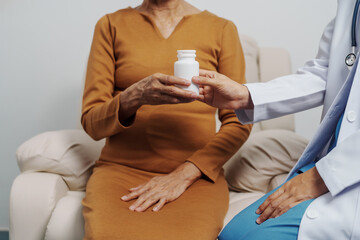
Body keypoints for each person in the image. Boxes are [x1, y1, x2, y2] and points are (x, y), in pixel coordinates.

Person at [81, 0, 251, 239]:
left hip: (194, 176)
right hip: (121, 173)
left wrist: (186, 173)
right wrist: (134, 96)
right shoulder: (110, 25)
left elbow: (239, 120)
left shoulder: (221, 29)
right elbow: (92, 124)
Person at [192, 0, 360, 239]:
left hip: (344, 171)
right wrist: (245, 95)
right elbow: (328, 70)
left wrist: (322, 176)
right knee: (234, 234)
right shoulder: (351, 5)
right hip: (329, 163)